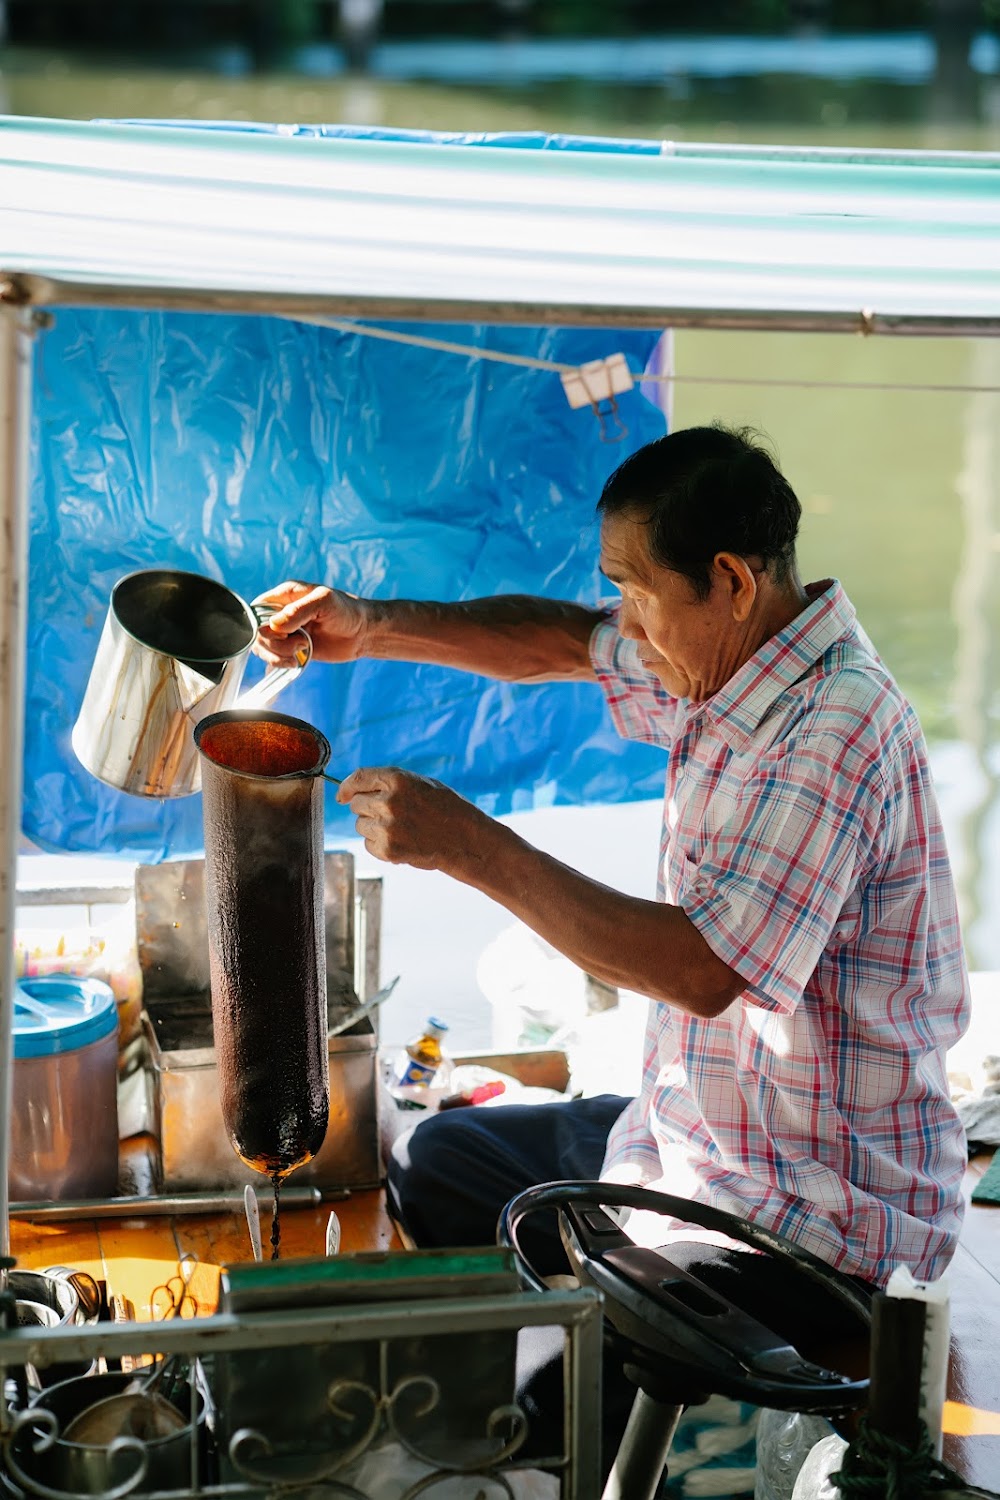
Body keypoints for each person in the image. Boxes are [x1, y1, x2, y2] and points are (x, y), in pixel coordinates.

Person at [255, 423, 970, 1475]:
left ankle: (577, 1420)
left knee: (568, 1404)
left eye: (638, 592)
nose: (625, 623)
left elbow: (698, 969)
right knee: (440, 1162)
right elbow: (556, 642)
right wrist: (371, 624)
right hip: (698, 1136)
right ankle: (562, 1372)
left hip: (824, 1216)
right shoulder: (729, 661)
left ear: (727, 578)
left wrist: (470, 846)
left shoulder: (833, 727)